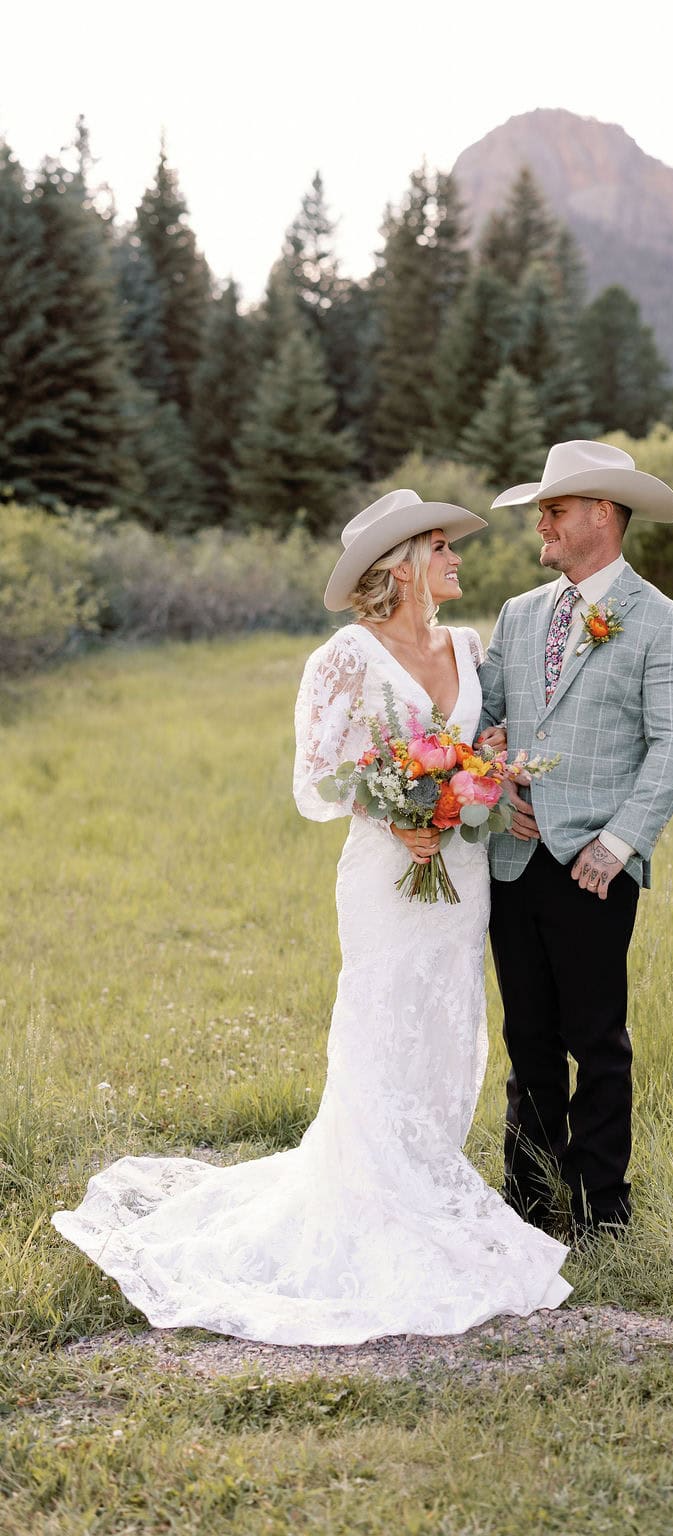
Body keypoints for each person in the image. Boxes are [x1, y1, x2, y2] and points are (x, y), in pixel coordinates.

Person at [52, 489, 571, 1346]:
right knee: (381, 1020)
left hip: (461, 872)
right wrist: (396, 813)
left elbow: (480, 746)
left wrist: (481, 779)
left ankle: (426, 1177)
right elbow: (316, 779)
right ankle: (371, 1196)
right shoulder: (345, 655)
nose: (457, 557)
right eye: (442, 546)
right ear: (403, 565)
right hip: (386, 875)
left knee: (447, 1025)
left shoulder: (467, 645)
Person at [479, 441, 673, 1237]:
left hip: (593, 866)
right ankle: (528, 1200)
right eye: (542, 511)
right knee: (526, 1038)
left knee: (598, 1041)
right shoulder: (518, 614)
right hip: (513, 858)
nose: (541, 524)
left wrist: (618, 843)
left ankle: (600, 1208)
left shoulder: (663, 623)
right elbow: (486, 719)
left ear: (602, 515)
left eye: (555, 510)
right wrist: (496, 783)